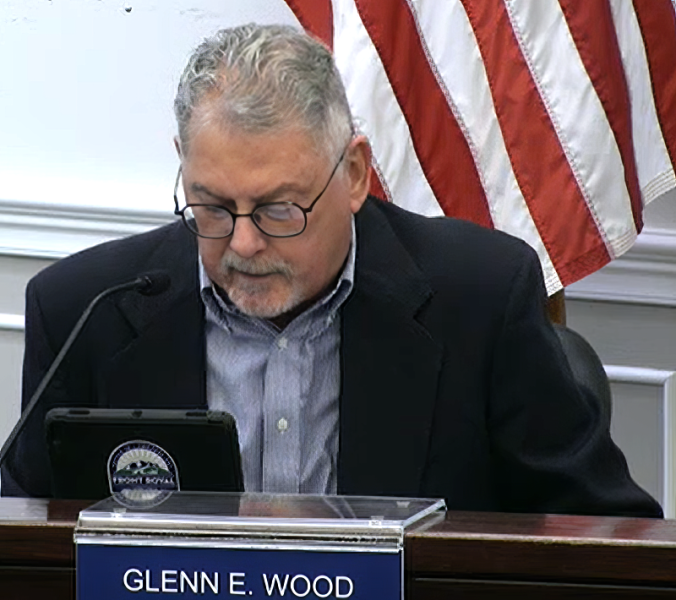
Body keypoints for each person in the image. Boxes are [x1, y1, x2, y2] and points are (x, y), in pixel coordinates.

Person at [2, 24, 662, 517]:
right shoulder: (84, 309)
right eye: (212, 206)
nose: (244, 243)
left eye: (279, 209)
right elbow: (24, 539)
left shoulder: (481, 298)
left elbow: (606, 533)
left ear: (353, 174)